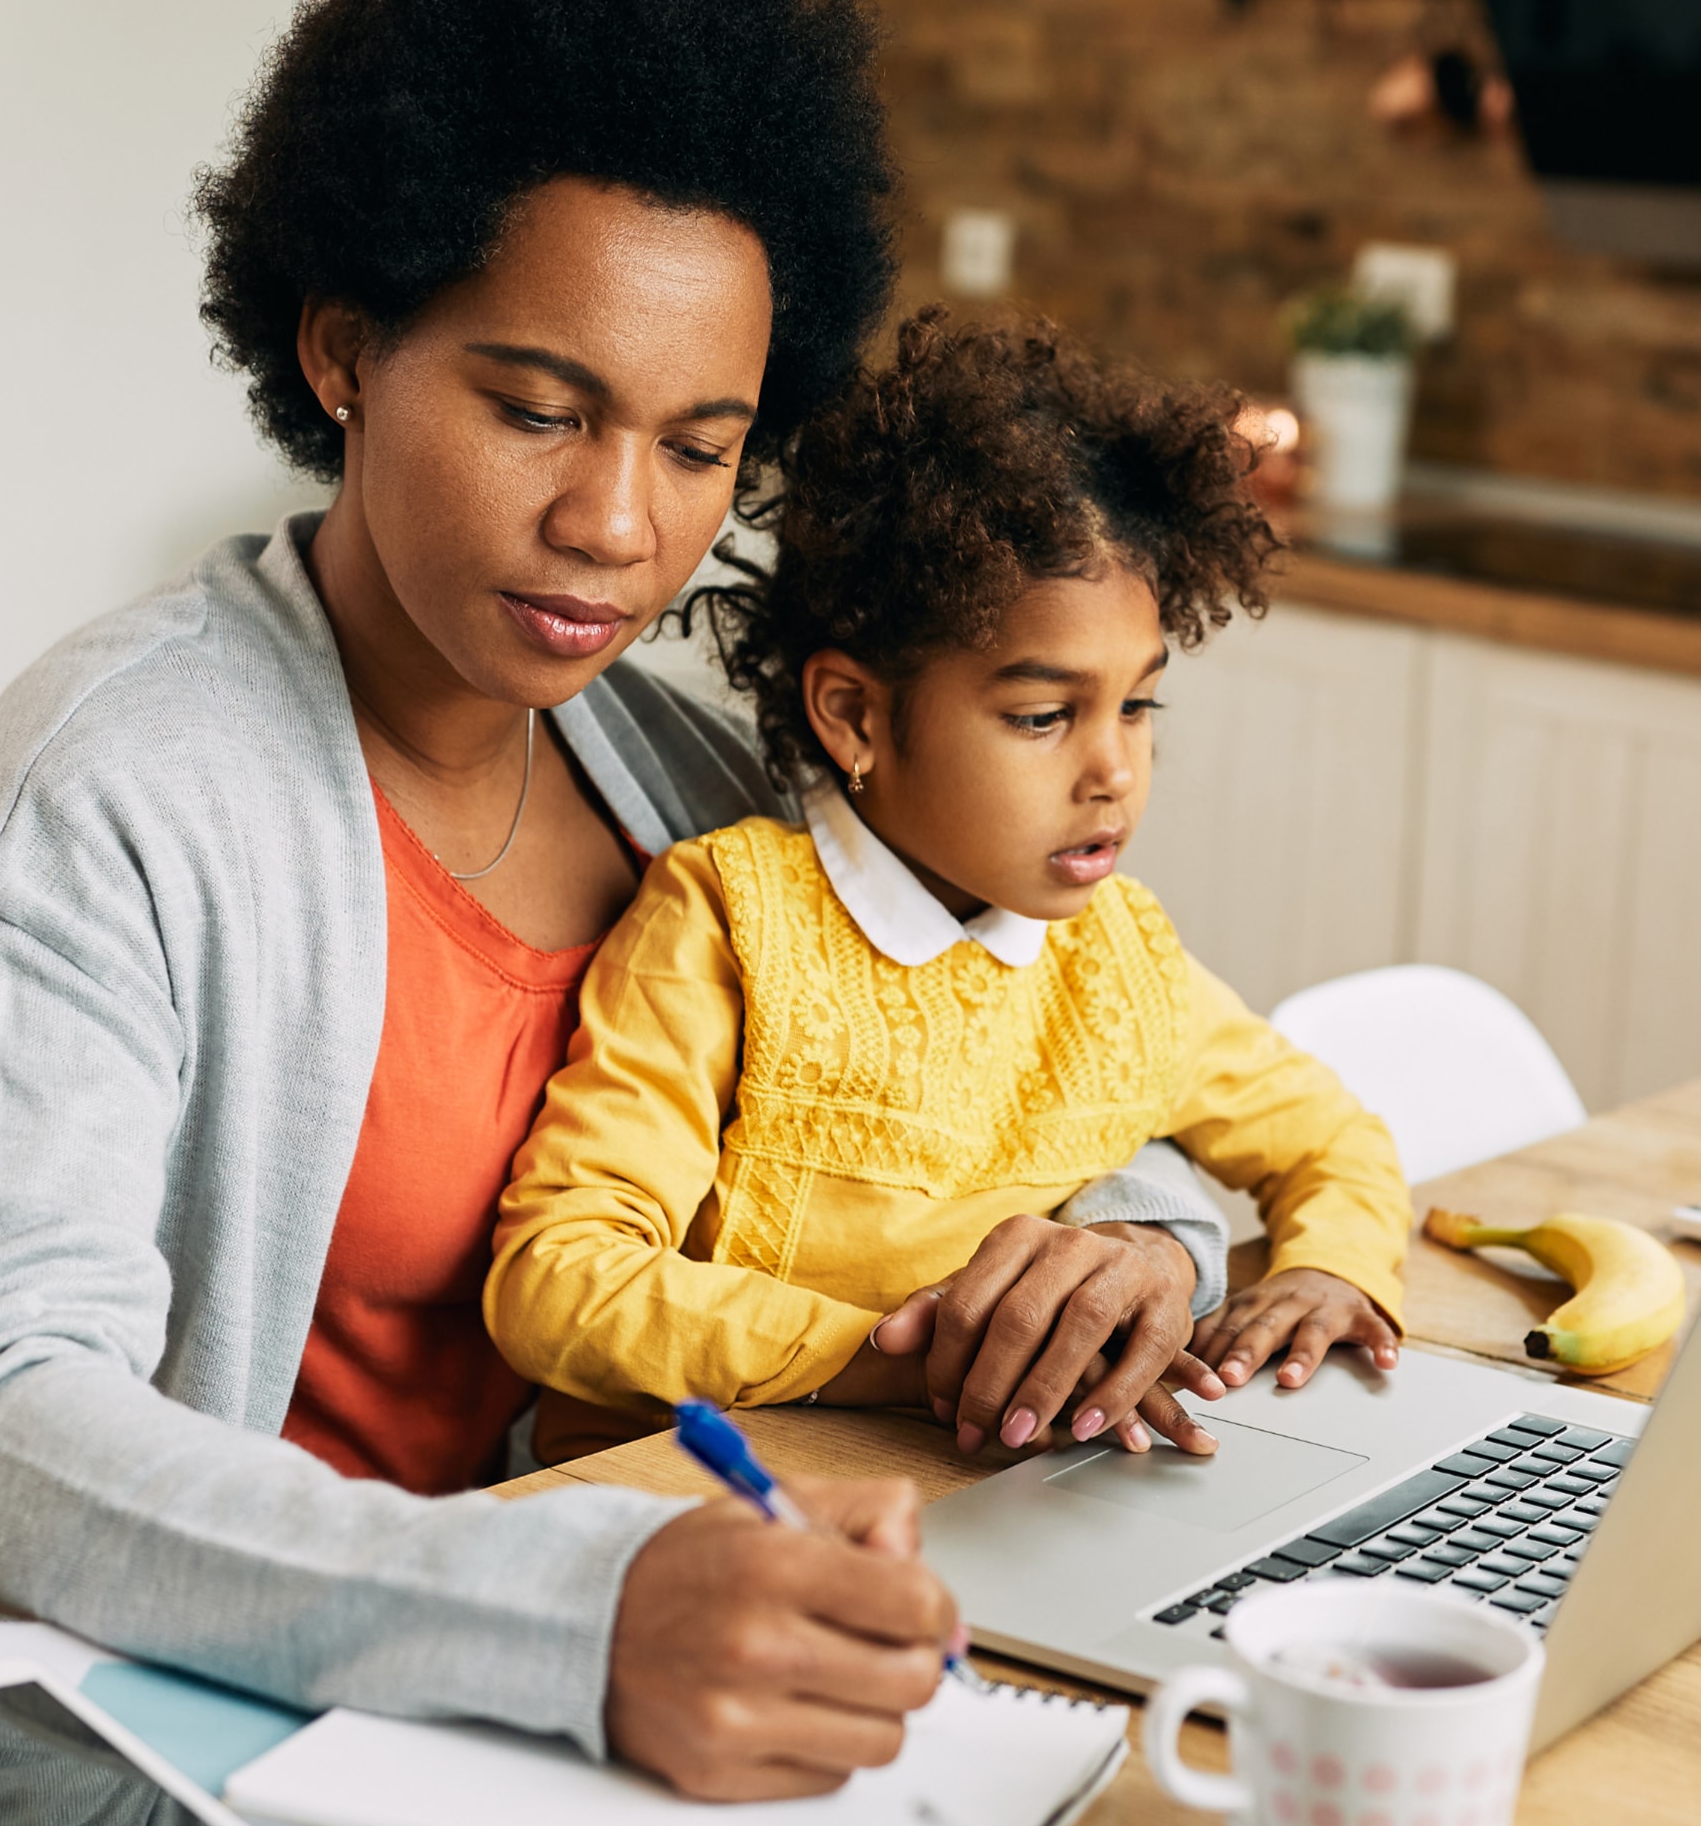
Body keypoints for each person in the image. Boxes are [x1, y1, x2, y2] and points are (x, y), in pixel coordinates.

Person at [0, 0, 1224, 1800]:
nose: (618, 524)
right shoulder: (117, 784)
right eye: (538, 408)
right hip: (99, 1765)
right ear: (342, 348)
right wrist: (559, 1611)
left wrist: (1137, 1245)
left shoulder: (694, 782)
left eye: (698, 446)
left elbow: (1067, 1050)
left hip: (544, 1729)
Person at [486, 313, 1409, 1454]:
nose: (1114, 769)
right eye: (1041, 716)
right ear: (856, 714)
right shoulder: (729, 919)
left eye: (1137, 704)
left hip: (974, 1488)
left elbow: (1334, 1136)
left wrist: (1328, 1266)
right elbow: (559, 1280)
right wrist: (912, 1356)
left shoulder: (1121, 958)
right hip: (702, 1498)